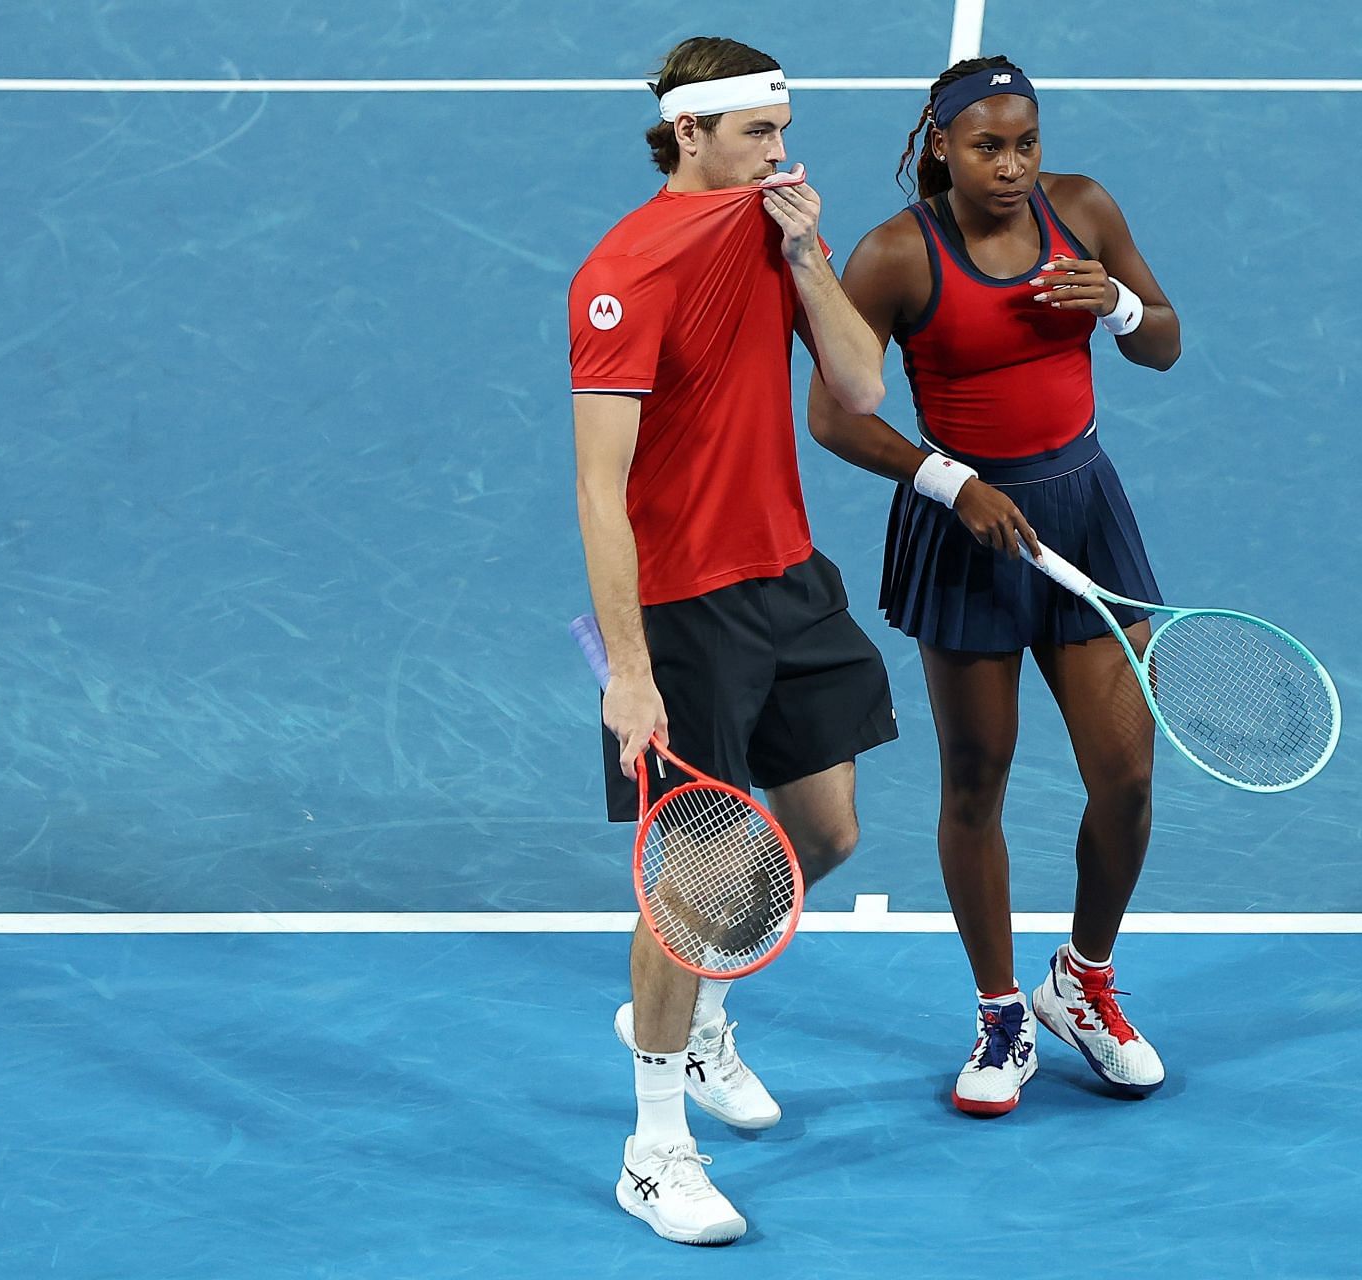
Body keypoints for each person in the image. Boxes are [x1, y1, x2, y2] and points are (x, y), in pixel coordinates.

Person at [808, 57, 1181, 1117]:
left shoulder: (1085, 209)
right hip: (966, 525)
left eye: (1025, 144)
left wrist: (1113, 303)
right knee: (977, 782)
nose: (1012, 166)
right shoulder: (893, 256)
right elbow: (833, 413)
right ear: (941, 145)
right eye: (987, 147)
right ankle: (1002, 1010)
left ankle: (1085, 982)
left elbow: (1165, 342)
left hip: (1086, 518)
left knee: (1129, 778)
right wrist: (946, 477)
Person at [569, 36, 896, 1244]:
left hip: (788, 579)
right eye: (760, 132)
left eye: (784, 126)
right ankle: (654, 1147)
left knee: (824, 830)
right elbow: (601, 492)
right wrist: (632, 672)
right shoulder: (622, 273)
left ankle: (695, 1009)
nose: (783, 150)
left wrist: (810, 254)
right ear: (689, 134)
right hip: (681, 611)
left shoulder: (774, 231)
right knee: (696, 887)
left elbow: (860, 388)